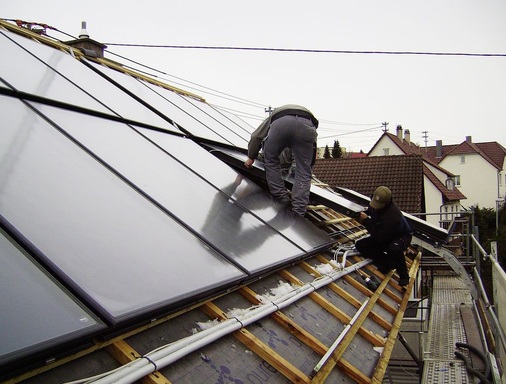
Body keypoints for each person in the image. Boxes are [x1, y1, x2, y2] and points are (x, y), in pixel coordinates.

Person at [244, 104, 318, 216]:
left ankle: (281, 197)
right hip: (307, 126)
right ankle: (298, 211)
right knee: (304, 171)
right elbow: (311, 158)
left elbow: (256, 136)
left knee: (271, 161)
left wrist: (251, 156)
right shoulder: (310, 121)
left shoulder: (276, 114)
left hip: (281, 124)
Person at [355, 186, 412, 286]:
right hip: (384, 233)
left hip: (400, 236)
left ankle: (404, 276)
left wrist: (365, 220)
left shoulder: (392, 216)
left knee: (394, 249)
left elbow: (378, 236)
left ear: (386, 203)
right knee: (360, 245)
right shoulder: (378, 203)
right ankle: (387, 263)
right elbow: (371, 210)